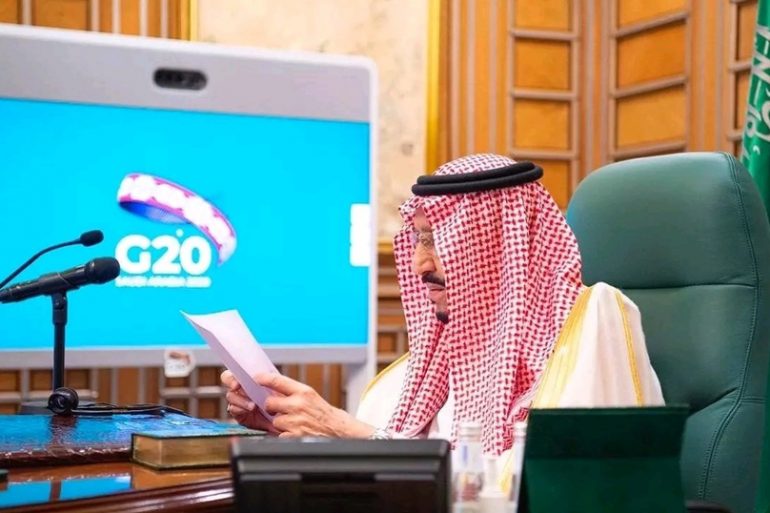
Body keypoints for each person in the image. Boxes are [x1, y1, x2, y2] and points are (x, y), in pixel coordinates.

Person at [221, 153, 664, 459]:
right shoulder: (418, 372)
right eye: (418, 240)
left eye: (437, 240)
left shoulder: (592, 323)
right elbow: (382, 467)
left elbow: (561, 483)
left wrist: (344, 430)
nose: (420, 264)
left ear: (495, 243)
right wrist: (295, 426)